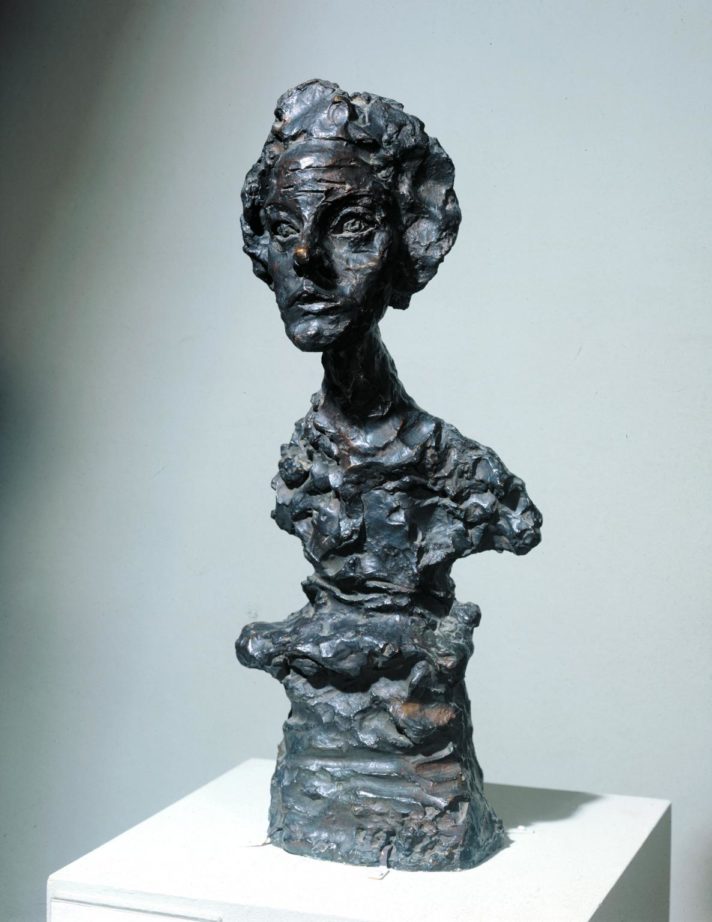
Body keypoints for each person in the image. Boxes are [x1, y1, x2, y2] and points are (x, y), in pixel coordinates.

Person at [236, 79, 542, 870]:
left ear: (413, 244)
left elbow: (516, 525)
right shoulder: (303, 462)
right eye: (283, 227)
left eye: (351, 226)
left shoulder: (460, 475)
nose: (306, 260)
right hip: (324, 774)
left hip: (421, 773)